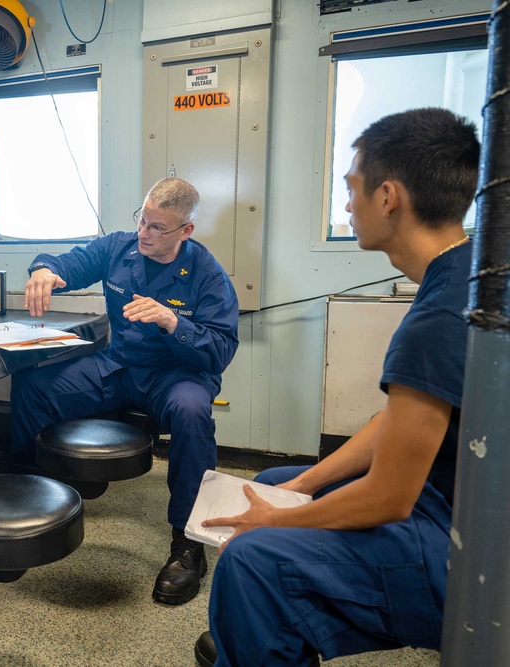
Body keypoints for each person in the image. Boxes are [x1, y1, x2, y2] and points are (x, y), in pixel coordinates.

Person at [193, 107, 480, 666]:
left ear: (388, 196)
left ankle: (260, 622)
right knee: (278, 479)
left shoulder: (437, 318)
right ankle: (267, 632)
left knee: (252, 558)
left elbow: (388, 499)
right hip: (446, 495)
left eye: (352, 188)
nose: (347, 205)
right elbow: (394, 426)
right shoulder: (461, 271)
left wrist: (276, 520)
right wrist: (300, 485)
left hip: (455, 542)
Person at [12, 177, 239, 605]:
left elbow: (221, 350)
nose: (144, 234)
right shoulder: (118, 247)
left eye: (158, 228)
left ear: (186, 231)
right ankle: (33, 498)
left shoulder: (208, 275)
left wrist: (174, 322)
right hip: (118, 366)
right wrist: (45, 270)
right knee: (34, 384)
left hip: (178, 375)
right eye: (143, 220)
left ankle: (189, 544)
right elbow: (68, 262)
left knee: (193, 415)